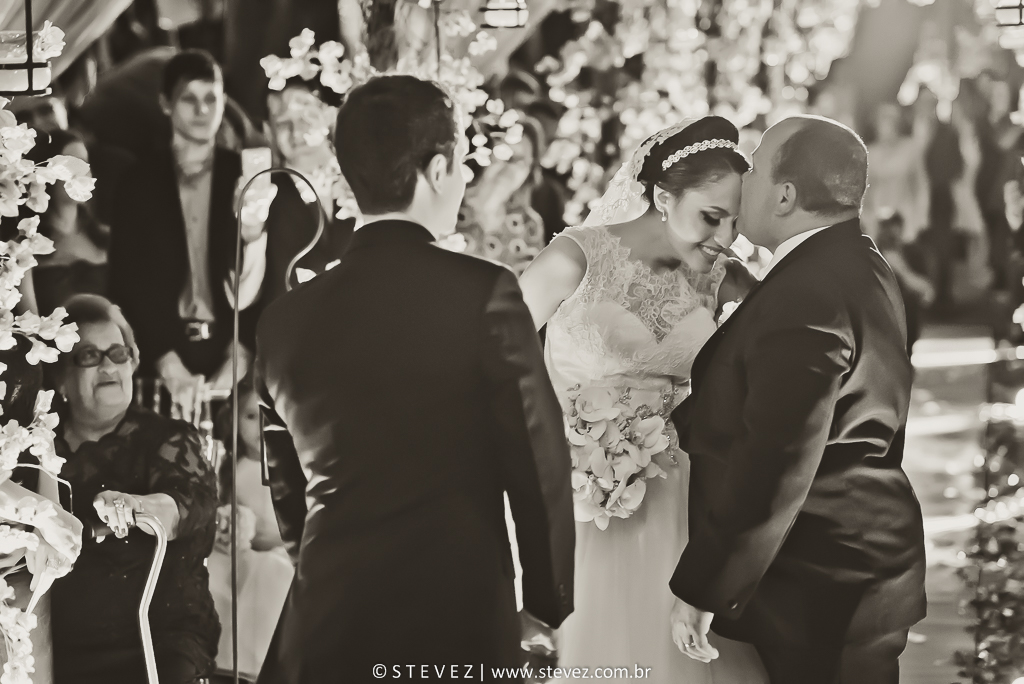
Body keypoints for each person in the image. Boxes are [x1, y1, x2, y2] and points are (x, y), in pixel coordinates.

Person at [255, 74, 575, 683]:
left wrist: (314, 564)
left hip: (327, 616)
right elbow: (538, 462)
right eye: (461, 163)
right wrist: (545, 602)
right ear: (438, 168)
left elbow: (287, 484)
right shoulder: (484, 294)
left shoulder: (283, 320)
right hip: (454, 609)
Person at [667, 117, 926, 684]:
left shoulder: (806, 292)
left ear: (784, 196)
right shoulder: (859, 262)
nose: (743, 176)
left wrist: (707, 586)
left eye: (755, 165)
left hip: (819, 585)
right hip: (853, 565)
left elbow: (778, 456)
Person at [519, 117, 767, 682]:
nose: (726, 237)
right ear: (661, 197)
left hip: (685, 496)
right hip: (580, 495)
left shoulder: (728, 280)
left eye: (736, 221)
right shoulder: (574, 258)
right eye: (712, 216)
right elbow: (491, 362)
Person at [48, 295, 220, 684]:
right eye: (89, 356)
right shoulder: (36, 448)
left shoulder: (168, 438)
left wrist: (135, 505)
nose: (108, 366)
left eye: (118, 353)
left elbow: (185, 505)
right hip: (57, 645)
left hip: (155, 641)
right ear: (60, 378)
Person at [107, 49, 271, 414]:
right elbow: (126, 279)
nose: (202, 110)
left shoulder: (244, 176)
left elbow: (267, 270)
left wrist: (242, 352)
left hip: (235, 350)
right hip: (158, 353)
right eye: (189, 99)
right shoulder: (137, 181)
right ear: (166, 103)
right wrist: (166, 362)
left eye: (211, 98)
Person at [207, 378, 292, 681]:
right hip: (241, 554)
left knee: (272, 571)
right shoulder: (231, 469)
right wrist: (228, 528)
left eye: (270, 417)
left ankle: (258, 663)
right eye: (251, 416)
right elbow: (221, 512)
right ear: (233, 419)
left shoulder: (291, 470)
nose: (261, 427)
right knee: (215, 568)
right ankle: (221, 661)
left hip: (282, 553)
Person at [258, 82, 353, 302]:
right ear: (268, 131)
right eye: (283, 123)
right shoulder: (264, 194)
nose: (297, 132)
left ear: (327, 115)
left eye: (305, 118)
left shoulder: (360, 180)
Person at [24, 129, 109, 314]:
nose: (83, 174)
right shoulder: (25, 244)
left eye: (85, 164)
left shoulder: (106, 238)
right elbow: (29, 319)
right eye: (72, 165)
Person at [458, 116, 546, 275]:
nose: (510, 168)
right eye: (506, 156)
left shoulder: (529, 225)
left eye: (521, 161)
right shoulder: (451, 205)